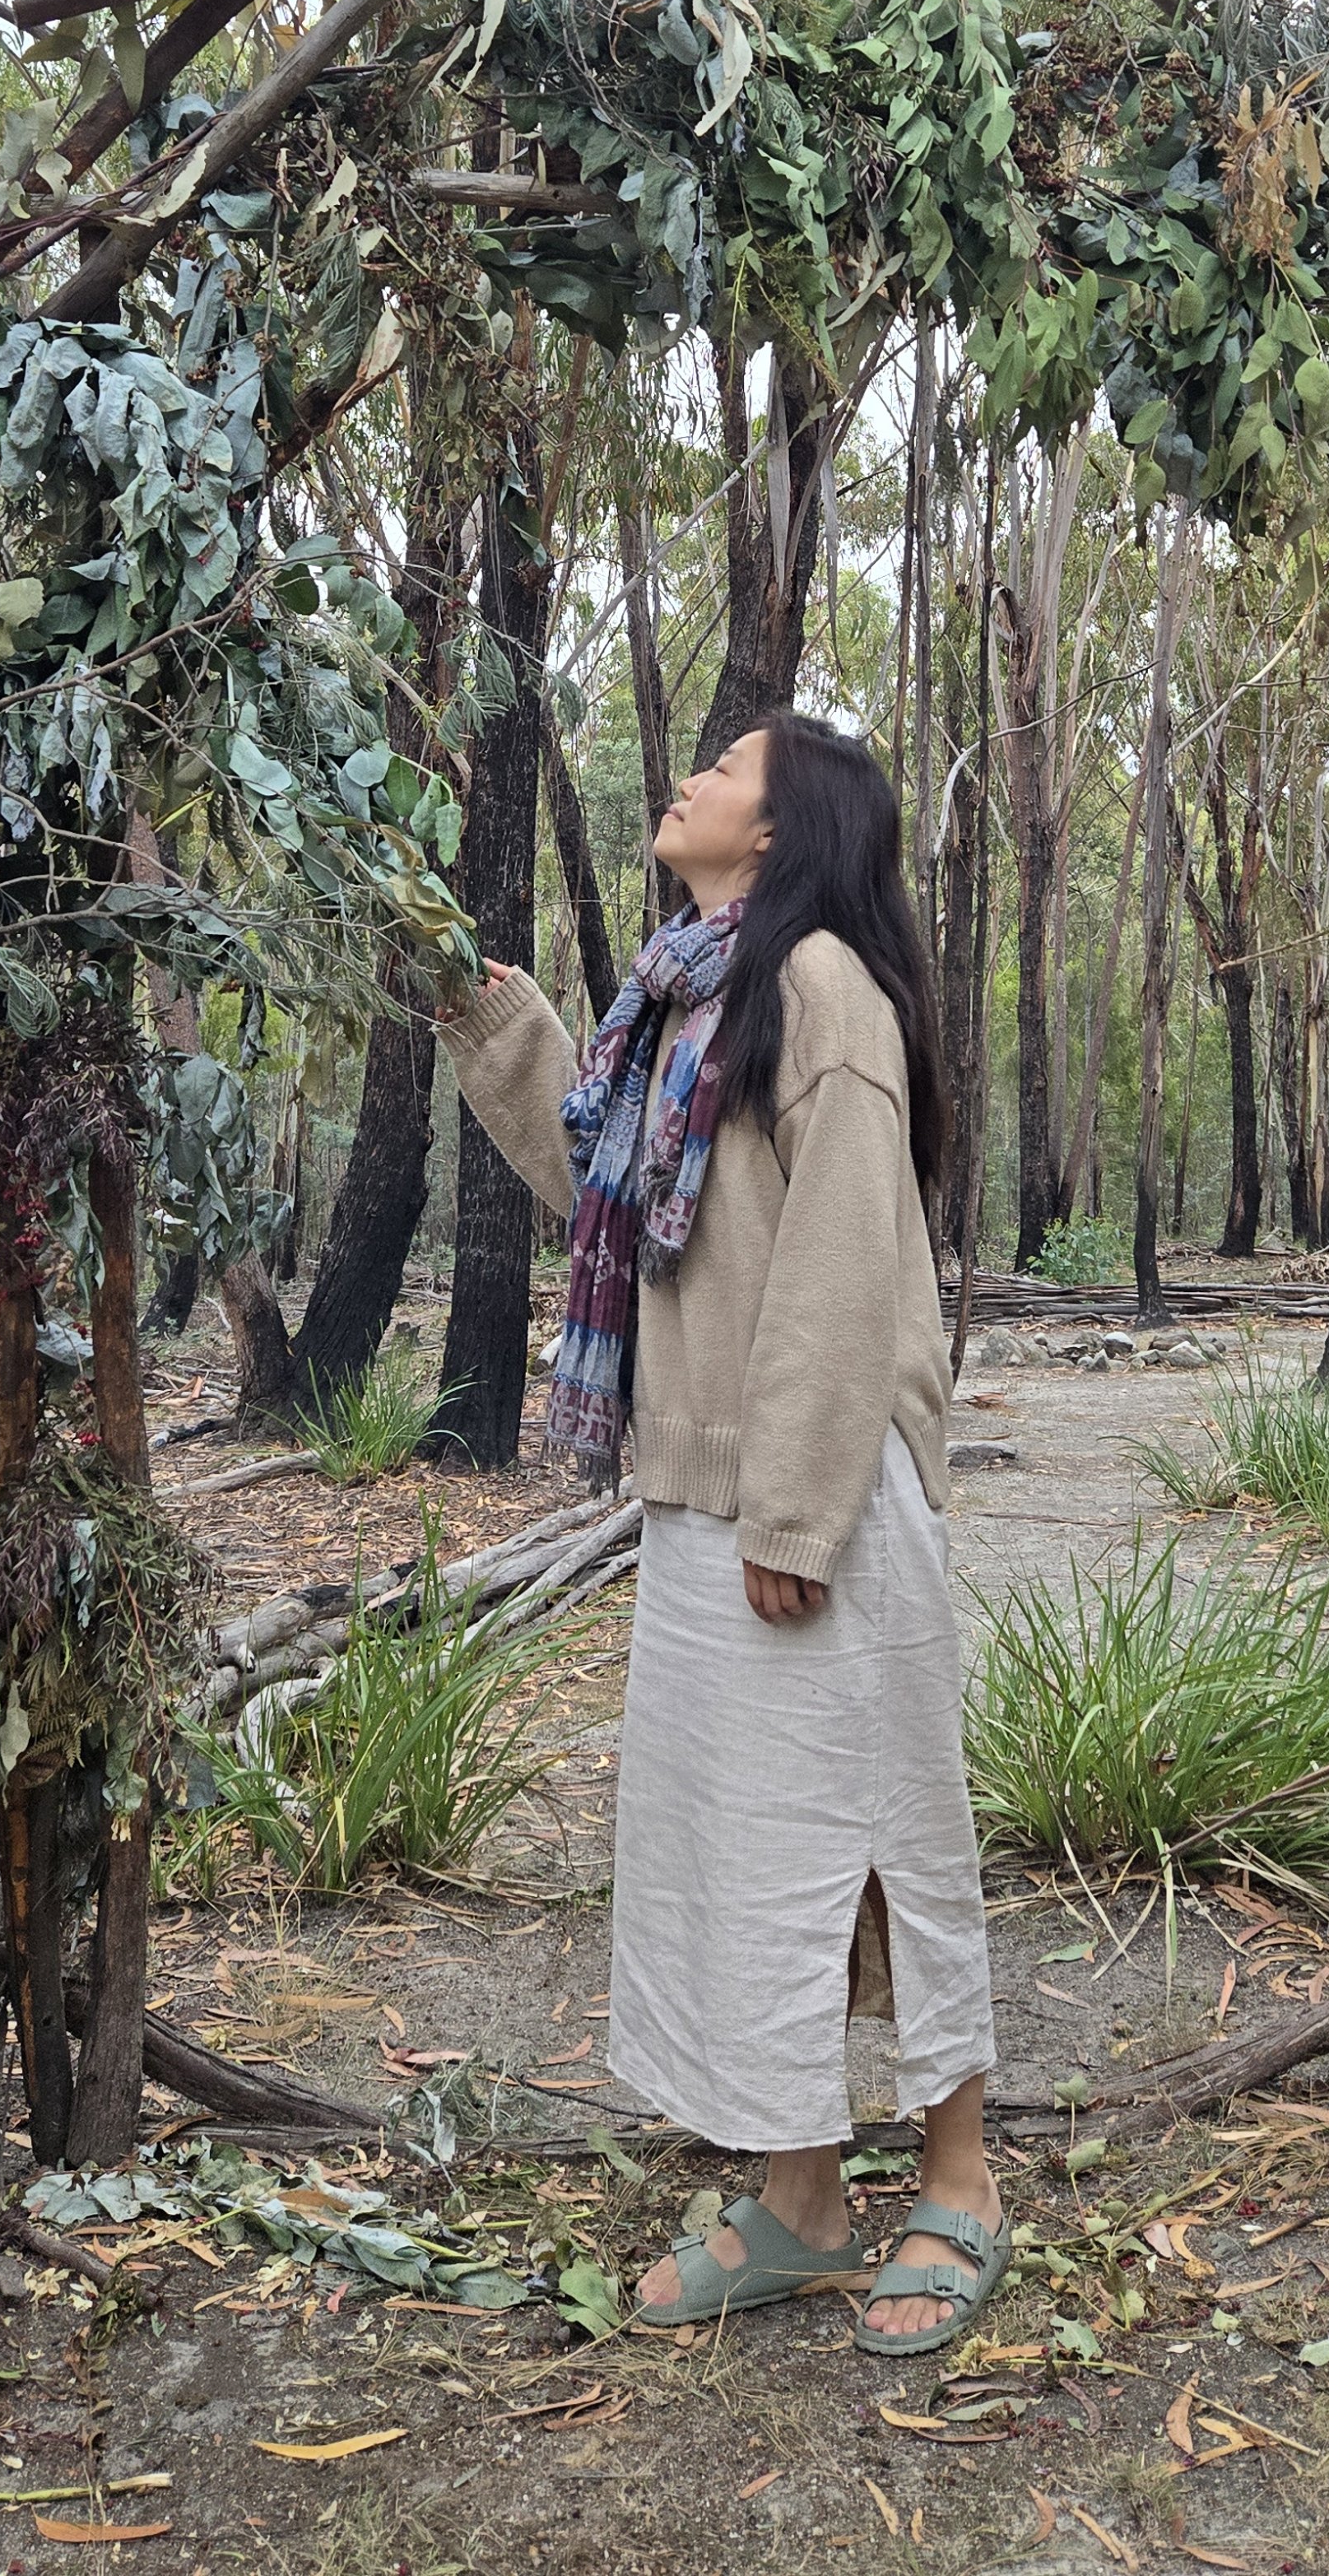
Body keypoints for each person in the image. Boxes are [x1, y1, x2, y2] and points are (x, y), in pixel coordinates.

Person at [437, 711, 1006, 2355]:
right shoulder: (681, 996)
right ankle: (802, 2201)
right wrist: (489, 1009)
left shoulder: (821, 986)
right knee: (751, 1856)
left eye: (725, 768)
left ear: (782, 826)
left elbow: (840, 1262)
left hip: (812, 1494)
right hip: (702, 1492)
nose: (688, 781)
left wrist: (799, 1513)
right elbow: (598, 1176)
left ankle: (956, 2180)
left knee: (891, 1830)